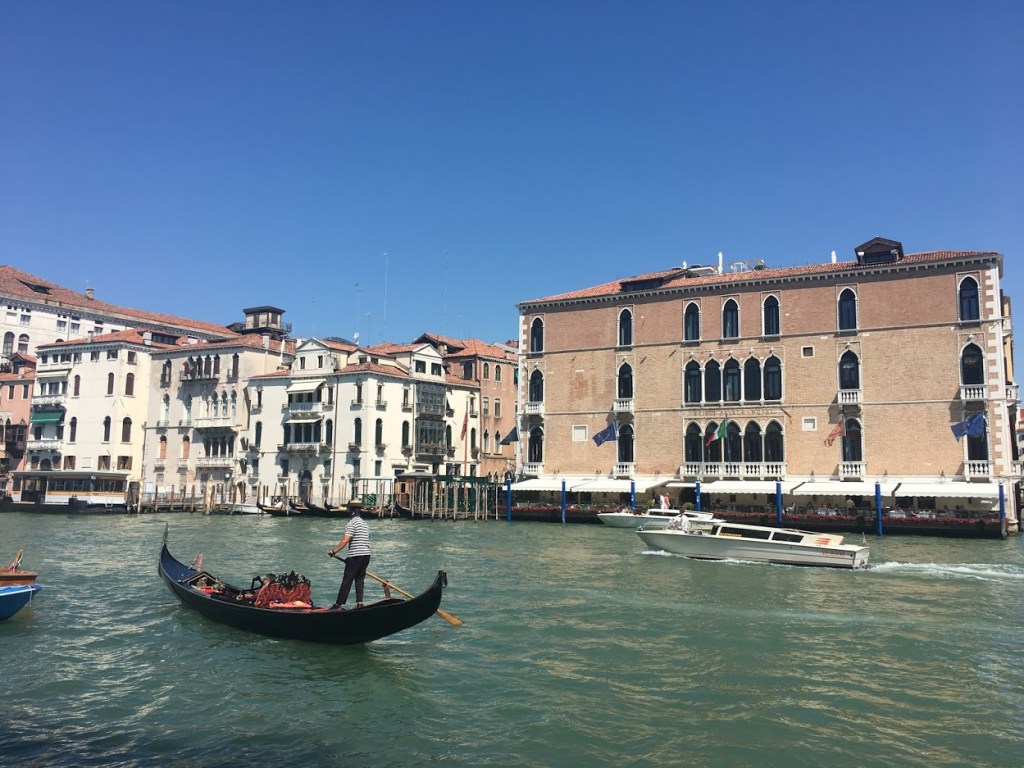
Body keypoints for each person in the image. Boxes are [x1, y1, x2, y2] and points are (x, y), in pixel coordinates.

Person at [327, 500, 371, 609]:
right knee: (360, 579)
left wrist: (334, 551)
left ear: (352, 511)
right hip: (366, 555)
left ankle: (338, 604)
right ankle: (360, 603)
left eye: (349, 509)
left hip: (356, 555)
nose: (348, 511)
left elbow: (345, 540)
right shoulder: (364, 524)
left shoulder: (352, 523)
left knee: (347, 579)